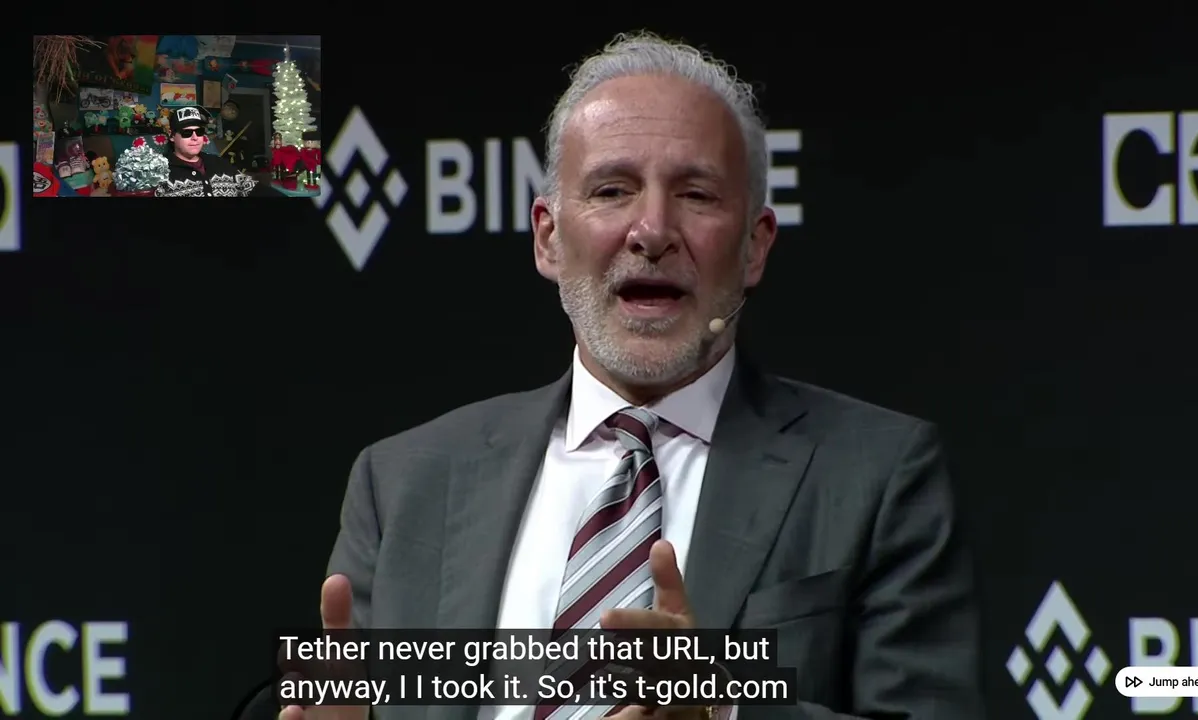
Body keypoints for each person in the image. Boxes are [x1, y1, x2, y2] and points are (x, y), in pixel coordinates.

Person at [273, 32, 985, 720]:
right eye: (612, 190)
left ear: (755, 246)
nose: (651, 231)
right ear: (549, 237)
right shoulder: (402, 482)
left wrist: (724, 709)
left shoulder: (878, 474)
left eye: (697, 195)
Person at [154, 106, 258, 197]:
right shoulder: (159, 173)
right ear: (171, 135)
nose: (195, 137)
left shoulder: (220, 163)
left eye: (199, 132)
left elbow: (253, 189)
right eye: (187, 133)